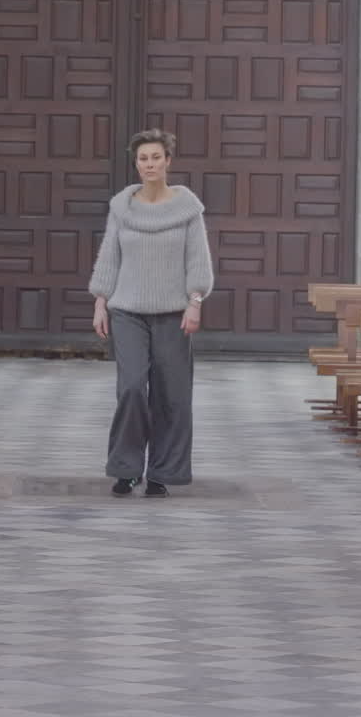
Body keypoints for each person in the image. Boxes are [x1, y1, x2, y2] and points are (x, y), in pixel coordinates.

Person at [87, 128, 214, 498]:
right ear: (136, 163)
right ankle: (126, 469)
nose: (149, 164)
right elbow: (110, 256)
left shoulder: (187, 208)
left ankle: (162, 472)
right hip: (127, 311)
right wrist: (100, 301)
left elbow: (198, 258)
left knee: (172, 394)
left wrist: (195, 301)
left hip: (174, 313)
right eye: (143, 158)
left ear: (168, 161)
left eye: (156, 157)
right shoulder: (122, 207)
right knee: (131, 389)